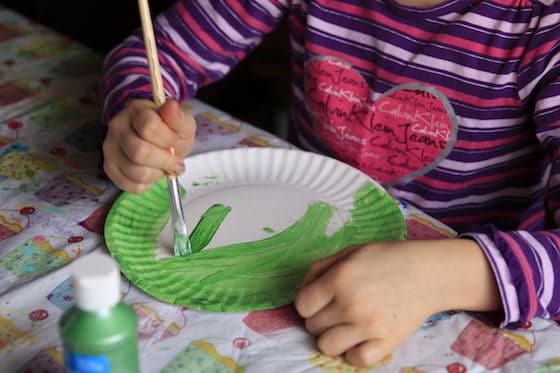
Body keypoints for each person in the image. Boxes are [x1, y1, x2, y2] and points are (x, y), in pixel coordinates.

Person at [100, 0, 560, 368]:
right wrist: (136, 110)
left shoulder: (544, 23)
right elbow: (156, 54)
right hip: (289, 255)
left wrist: (447, 275)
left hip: (456, 292)